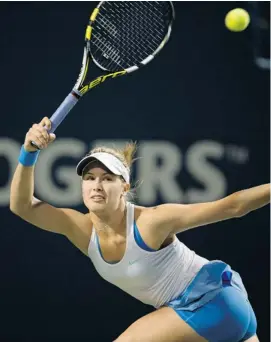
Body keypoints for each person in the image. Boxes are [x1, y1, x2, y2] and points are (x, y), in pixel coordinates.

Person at [10, 117, 269, 342]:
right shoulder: (79, 228)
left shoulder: (151, 222)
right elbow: (22, 206)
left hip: (212, 302)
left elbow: (233, 206)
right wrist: (28, 151)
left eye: (107, 178)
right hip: (226, 313)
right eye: (89, 178)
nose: (96, 185)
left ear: (124, 187)